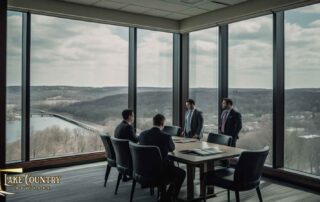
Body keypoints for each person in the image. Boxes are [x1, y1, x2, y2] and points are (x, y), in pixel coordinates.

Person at [139, 114, 186, 202]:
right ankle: (170, 197)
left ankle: (165, 196)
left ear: (153, 122)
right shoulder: (165, 136)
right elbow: (172, 148)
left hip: (143, 169)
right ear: (163, 124)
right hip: (160, 171)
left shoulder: (142, 134)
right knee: (182, 173)